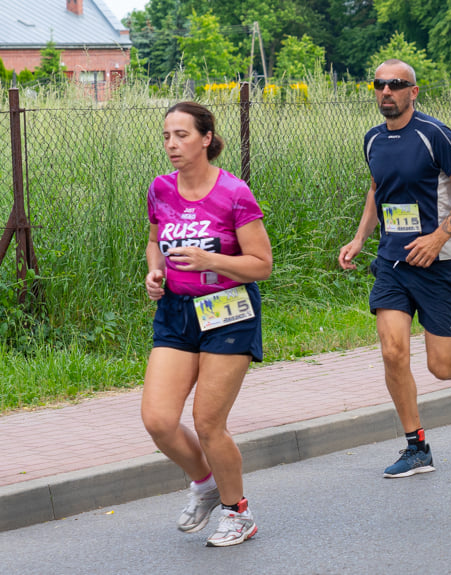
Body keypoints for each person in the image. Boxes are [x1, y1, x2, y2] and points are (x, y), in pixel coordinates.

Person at [338, 59, 451, 478]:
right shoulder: (372, 140)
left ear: (413, 92)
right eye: (379, 84)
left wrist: (438, 237)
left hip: (438, 265)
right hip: (392, 263)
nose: (386, 91)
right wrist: (360, 237)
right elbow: (376, 189)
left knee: (441, 365)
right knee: (392, 351)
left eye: (396, 85)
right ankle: (416, 447)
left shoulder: (434, 134)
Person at [141, 101, 273, 547]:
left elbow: (261, 265)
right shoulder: (160, 189)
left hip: (228, 312)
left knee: (207, 422)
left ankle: (239, 513)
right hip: (177, 313)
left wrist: (209, 259)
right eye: (166, 136)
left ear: (206, 139)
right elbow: (155, 240)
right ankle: (205, 483)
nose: (172, 144)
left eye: (181, 135)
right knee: (158, 419)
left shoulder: (234, 193)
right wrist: (154, 272)